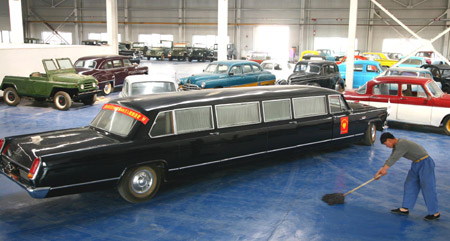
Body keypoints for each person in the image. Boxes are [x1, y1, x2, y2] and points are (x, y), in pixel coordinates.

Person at [375, 132, 440, 221]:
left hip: (425, 163)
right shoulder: (397, 146)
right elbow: (391, 157)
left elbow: (395, 158)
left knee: (428, 187)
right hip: (416, 163)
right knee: (410, 184)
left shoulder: (402, 144)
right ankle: (405, 208)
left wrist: (385, 169)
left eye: (386, 144)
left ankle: (435, 213)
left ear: (390, 140)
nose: (387, 146)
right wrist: (381, 170)